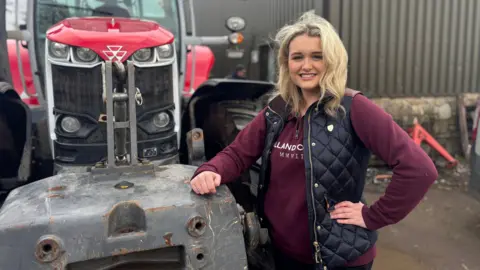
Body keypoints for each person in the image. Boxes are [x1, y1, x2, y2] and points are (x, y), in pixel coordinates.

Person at [190, 10, 438, 270]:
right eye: (297, 57)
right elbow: (238, 153)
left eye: (316, 57)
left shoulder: (354, 108)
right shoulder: (277, 110)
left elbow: (419, 169)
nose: (305, 65)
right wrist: (211, 169)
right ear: (287, 64)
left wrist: (373, 216)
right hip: (282, 254)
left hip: (338, 260)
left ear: (332, 60)